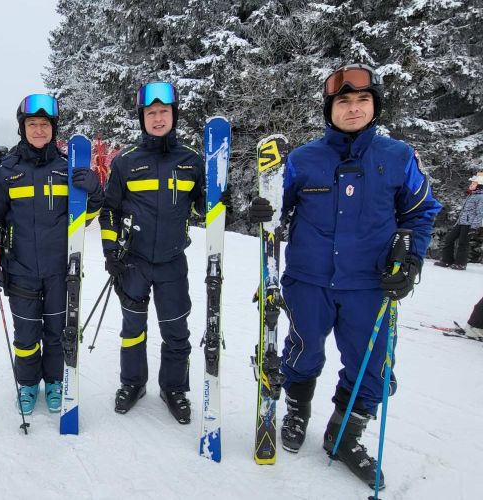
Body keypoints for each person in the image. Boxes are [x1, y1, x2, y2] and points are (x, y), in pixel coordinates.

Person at [248, 63, 441, 489]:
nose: (353, 108)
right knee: (302, 352)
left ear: (375, 106)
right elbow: (276, 211)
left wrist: (410, 260)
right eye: (344, 101)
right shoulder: (303, 159)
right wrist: (261, 210)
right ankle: (297, 411)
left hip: (370, 284)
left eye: (362, 100)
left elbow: (421, 212)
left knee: (372, 364)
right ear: (329, 109)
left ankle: (345, 433)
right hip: (309, 279)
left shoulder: (398, 157)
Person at [0, 94, 103, 414]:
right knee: (25, 334)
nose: (39, 130)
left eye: (45, 124)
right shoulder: (6, 172)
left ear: (54, 128)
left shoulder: (67, 169)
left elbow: (85, 217)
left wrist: (94, 192)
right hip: (20, 268)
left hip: (60, 270)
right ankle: (26, 384)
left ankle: (53, 380)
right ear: (22, 129)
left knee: (56, 332)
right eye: (32, 124)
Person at [98, 81, 205, 424]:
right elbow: (109, 211)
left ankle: (174, 388)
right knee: (133, 328)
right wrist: (111, 251)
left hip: (172, 262)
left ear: (174, 115)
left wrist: (221, 200)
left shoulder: (191, 161)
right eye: (151, 113)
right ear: (142, 118)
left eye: (164, 112)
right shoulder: (127, 162)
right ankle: (133, 383)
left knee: (176, 330)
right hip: (134, 262)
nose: (158, 118)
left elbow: (203, 209)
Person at [434, 172, 483, 270]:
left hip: (469, 224)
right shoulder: (471, 195)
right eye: (472, 183)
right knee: (449, 239)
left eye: (474, 183)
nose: (471, 185)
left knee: (463, 243)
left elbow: (480, 213)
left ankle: (461, 264)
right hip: (461, 222)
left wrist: (474, 227)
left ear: (479, 185)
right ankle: (447, 260)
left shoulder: (480, 197)